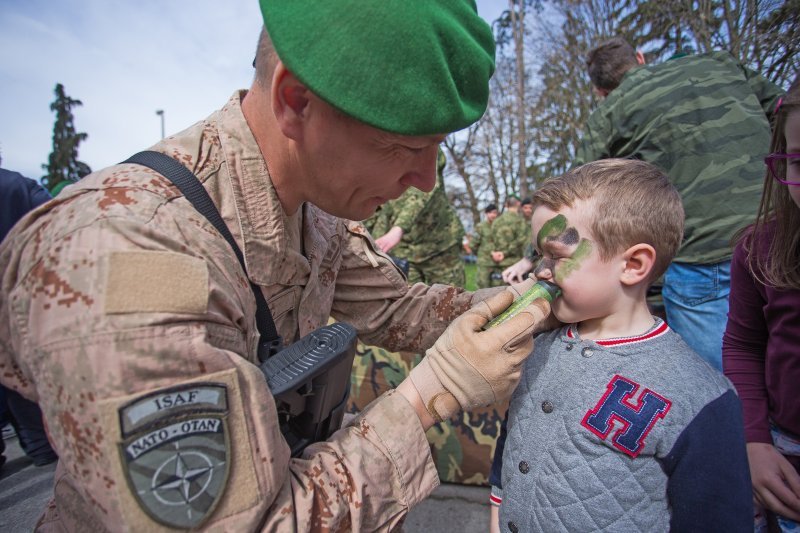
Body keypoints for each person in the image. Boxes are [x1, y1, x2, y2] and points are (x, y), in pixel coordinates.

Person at [0, 3, 551, 530]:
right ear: (295, 102)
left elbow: (397, 306)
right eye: (402, 146)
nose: (427, 180)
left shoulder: (315, 205)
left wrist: (528, 304)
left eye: (437, 149)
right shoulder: (127, 258)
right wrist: (432, 394)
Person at [488, 159, 752, 532]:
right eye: (538, 255)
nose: (540, 271)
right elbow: (512, 447)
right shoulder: (538, 348)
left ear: (633, 264)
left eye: (556, 256)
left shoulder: (699, 397)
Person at [573, 37, 784, 370]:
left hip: (700, 256)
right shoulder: (720, 63)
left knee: (724, 387)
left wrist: (540, 259)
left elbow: (575, 195)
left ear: (601, 91)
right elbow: (785, 113)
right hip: (780, 232)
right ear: (640, 58)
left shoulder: (610, 112)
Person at [723, 72, 800, 532]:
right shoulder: (759, 251)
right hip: (784, 455)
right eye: (798, 161)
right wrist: (753, 441)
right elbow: (744, 345)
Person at [0, 166, 58, 470]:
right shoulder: (18, 185)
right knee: (27, 381)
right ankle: (42, 450)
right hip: (24, 299)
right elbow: (58, 226)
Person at [372, 149, 466, 286]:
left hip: (440, 245)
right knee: (408, 302)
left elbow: (425, 190)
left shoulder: (423, 143)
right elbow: (380, 207)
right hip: (405, 250)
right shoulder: (376, 151)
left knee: (451, 302)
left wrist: (398, 228)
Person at [487, 196, 529, 287]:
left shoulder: (496, 221)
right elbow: (523, 242)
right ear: (518, 204)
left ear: (506, 205)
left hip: (499, 265)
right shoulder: (521, 221)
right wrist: (505, 253)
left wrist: (494, 253)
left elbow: (490, 240)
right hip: (516, 267)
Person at [469, 203, 499, 288]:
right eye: (491, 213)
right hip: (484, 263)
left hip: (496, 263)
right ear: (486, 214)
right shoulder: (480, 227)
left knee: (496, 288)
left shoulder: (498, 227)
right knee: (483, 287)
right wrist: (481, 254)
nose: (493, 215)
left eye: (495, 213)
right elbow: (473, 244)